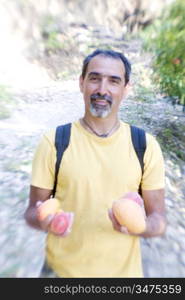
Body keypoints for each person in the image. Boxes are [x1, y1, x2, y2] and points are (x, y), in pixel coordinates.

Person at [24, 49, 166, 278]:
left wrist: (140, 227)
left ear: (126, 89)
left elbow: (158, 218)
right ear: (81, 83)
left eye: (113, 81)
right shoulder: (54, 142)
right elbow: (32, 211)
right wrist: (46, 222)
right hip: (60, 273)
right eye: (94, 78)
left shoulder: (145, 146)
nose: (102, 89)